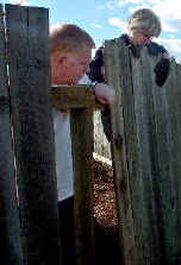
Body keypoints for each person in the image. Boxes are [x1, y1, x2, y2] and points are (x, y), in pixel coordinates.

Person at [50, 23, 115, 265]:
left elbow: (94, 84)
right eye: (82, 63)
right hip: (41, 195)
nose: (87, 70)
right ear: (61, 60)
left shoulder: (75, 80)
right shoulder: (22, 85)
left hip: (71, 189)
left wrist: (97, 86)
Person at [89, 7, 170, 141]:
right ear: (134, 28)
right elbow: (91, 76)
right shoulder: (109, 49)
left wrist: (165, 59)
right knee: (121, 149)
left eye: (151, 37)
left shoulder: (149, 47)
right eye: (146, 35)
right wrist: (100, 77)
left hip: (139, 111)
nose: (148, 40)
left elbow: (162, 51)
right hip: (115, 114)